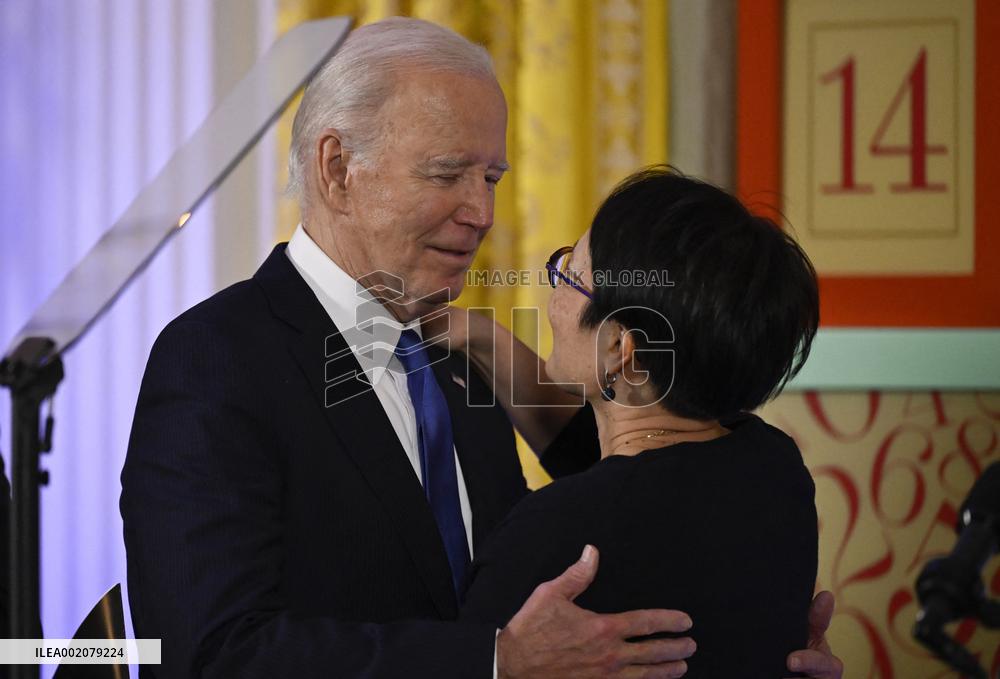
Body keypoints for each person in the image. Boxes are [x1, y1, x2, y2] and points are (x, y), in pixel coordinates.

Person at [120, 17, 842, 679]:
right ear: (337, 168)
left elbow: (634, 491)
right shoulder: (215, 361)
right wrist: (493, 661)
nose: (483, 214)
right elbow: (209, 653)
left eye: (491, 178)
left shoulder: (459, 356)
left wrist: (749, 642)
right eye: (447, 174)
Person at [439, 167, 835, 677]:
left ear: (619, 348)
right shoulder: (775, 468)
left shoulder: (556, 534)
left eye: (568, 276)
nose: (552, 295)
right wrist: (479, 336)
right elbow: (625, 469)